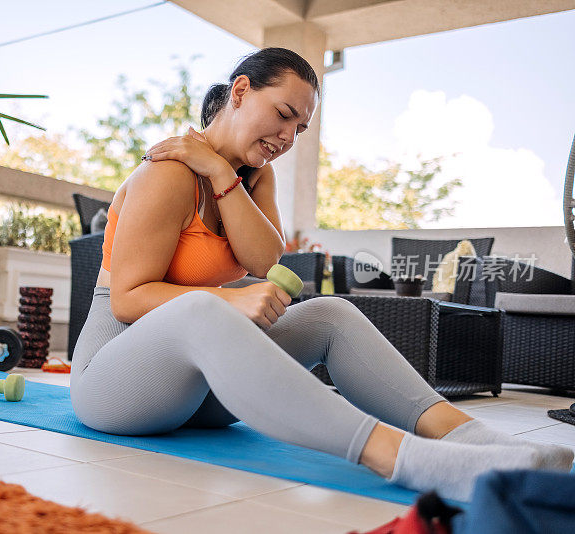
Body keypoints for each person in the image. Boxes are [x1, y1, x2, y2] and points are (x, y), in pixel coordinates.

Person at [70, 47, 573, 501]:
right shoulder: (167, 172)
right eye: (283, 116)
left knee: (332, 313)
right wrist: (228, 301)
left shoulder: (250, 174)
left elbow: (265, 260)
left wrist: (224, 175)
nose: (287, 138)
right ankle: (409, 459)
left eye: (300, 129)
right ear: (241, 90)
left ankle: (473, 440)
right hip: (116, 385)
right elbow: (128, 299)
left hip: (196, 392)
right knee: (205, 305)